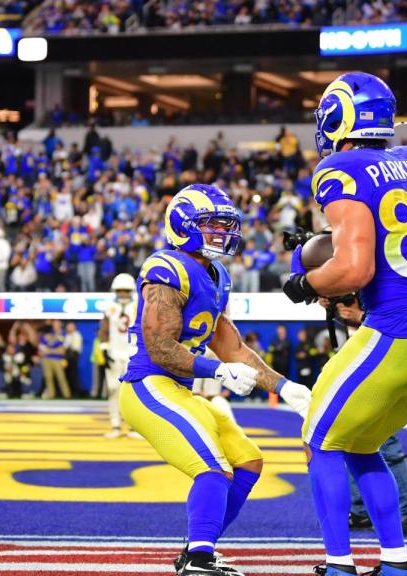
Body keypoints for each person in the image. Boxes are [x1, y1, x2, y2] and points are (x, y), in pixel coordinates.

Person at [281, 72, 407, 576]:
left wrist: (305, 285)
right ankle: (395, 562)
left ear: (337, 116)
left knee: (319, 439)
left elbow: (354, 269)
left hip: (397, 334)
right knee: (363, 443)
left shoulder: (340, 169)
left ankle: (338, 563)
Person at [119, 183, 311, 576]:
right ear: (182, 225)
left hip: (179, 389)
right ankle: (201, 560)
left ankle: (197, 550)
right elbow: (160, 348)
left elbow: (234, 348)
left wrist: (284, 387)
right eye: (210, 224)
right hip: (149, 385)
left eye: (225, 225)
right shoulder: (166, 267)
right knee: (214, 468)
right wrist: (217, 371)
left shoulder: (217, 274)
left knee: (248, 462)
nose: (221, 233)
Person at [322, 297, 407, 538]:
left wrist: (360, 317)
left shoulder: (385, 292)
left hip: (388, 369)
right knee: (352, 443)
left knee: (386, 445)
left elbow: (397, 326)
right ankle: (361, 510)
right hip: (372, 371)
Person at [99, 273, 140, 438]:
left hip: (132, 353)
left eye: (126, 290)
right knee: (113, 390)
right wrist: (104, 348)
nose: (123, 293)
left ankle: (133, 426)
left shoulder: (137, 306)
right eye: (120, 290)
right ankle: (115, 425)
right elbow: (103, 329)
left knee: (133, 392)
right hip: (114, 353)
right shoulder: (109, 307)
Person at [40, 320, 70, 399]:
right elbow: (43, 342)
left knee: (61, 377)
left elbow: (56, 344)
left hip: (57, 358)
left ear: (60, 325)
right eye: (54, 324)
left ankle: (66, 394)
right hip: (47, 358)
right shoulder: (49, 333)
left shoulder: (63, 334)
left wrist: (49, 348)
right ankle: (51, 394)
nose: (55, 326)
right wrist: (49, 347)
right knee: (48, 377)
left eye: (57, 324)